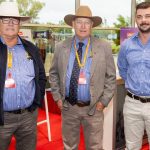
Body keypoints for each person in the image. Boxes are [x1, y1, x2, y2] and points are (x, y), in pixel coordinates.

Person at [49, 5, 116, 150]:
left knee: (94, 147)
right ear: (73, 24)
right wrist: (57, 98)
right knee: (70, 146)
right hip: (69, 107)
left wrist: (103, 102)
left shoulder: (104, 47)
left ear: (92, 25)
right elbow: (53, 73)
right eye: (79, 22)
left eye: (87, 22)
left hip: (93, 109)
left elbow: (111, 77)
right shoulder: (61, 47)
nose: (83, 26)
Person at [0, 1, 46, 150]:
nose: (11, 24)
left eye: (14, 20)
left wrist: (36, 103)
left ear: (19, 24)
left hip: (28, 117)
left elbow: (40, 77)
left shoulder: (31, 48)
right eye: (5, 20)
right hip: (2, 119)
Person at [118, 2, 150, 149]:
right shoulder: (126, 45)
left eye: (148, 16)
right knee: (131, 147)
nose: (143, 20)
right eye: (139, 17)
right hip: (132, 104)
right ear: (136, 20)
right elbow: (123, 69)